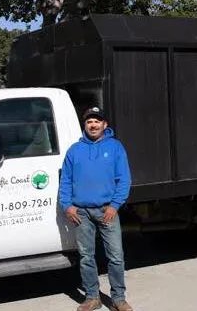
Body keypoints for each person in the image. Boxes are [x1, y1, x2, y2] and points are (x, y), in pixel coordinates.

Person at [59, 107, 133, 311]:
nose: (93, 125)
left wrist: (115, 206)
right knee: (86, 257)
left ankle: (118, 298)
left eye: (97, 121)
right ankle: (92, 297)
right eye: (89, 121)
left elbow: (124, 180)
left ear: (104, 125)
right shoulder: (75, 150)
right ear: (85, 125)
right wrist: (67, 206)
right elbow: (65, 180)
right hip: (81, 212)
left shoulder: (115, 147)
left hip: (107, 211)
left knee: (116, 256)